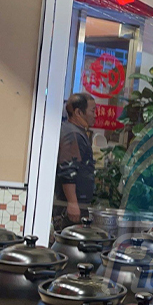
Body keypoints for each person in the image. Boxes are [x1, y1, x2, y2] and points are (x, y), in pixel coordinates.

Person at [53, 93, 97, 231]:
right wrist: (72, 203)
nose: (95, 115)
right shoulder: (73, 135)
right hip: (70, 206)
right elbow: (68, 171)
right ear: (78, 112)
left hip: (75, 202)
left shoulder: (73, 131)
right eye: (92, 111)